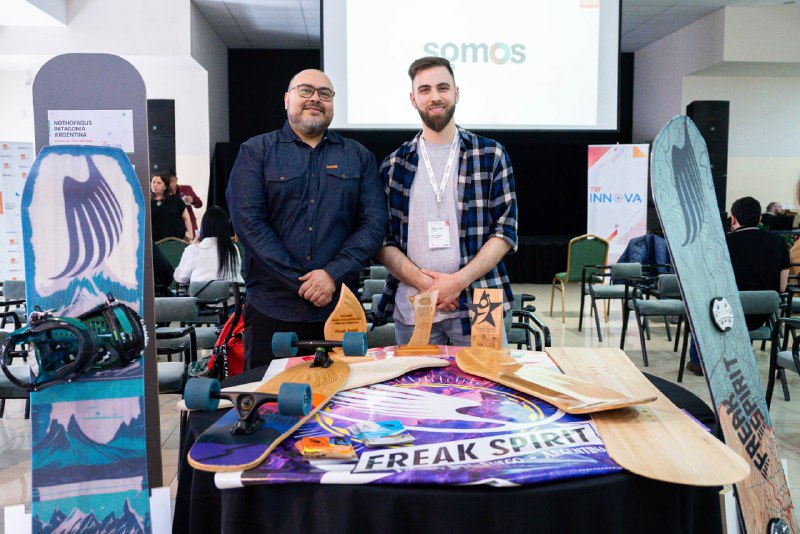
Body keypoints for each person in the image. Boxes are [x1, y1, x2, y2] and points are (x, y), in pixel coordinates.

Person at [226, 68, 386, 369]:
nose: (315, 98)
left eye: (324, 94)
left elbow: (373, 224)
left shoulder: (359, 156)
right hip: (272, 310)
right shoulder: (256, 152)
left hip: (339, 310)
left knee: (342, 396)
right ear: (287, 99)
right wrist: (301, 282)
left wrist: (331, 275)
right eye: (305, 91)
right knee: (269, 395)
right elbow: (249, 223)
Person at [374, 56, 518, 346]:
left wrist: (457, 282)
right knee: (417, 378)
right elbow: (381, 240)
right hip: (415, 303)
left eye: (443, 87)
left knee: (488, 376)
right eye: (424, 90)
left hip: (482, 302)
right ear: (413, 99)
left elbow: (505, 231)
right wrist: (430, 286)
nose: (435, 97)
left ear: (456, 93)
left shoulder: (491, 155)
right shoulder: (394, 165)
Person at [687, 196, 789, 375]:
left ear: (733, 219)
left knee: (701, 305)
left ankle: (698, 363)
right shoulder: (779, 242)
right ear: (759, 219)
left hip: (726, 316)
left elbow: (711, 283)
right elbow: (782, 287)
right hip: (762, 315)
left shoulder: (722, 243)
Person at [173, 206, 244, 285]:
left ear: (204, 227)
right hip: (232, 292)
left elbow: (180, 278)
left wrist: (192, 247)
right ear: (226, 227)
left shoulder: (193, 250)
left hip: (201, 292)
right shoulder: (233, 248)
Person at [151, 172, 192, 242]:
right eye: (153, 182)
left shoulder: (175, 199)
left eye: (159, 183)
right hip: (157, 242)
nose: (155, 185)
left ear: (165, 186)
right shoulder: (148, 202)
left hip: (178, 241)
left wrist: (190, 237)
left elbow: (186, 218)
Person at [165, 169, 204, 236]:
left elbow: (199, 204)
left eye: (172, 181)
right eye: (168, 182)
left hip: (189, 224)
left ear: (176, 179)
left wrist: (192, 200)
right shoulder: (164, 194)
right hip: (174, 226)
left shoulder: (186, 189)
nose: (170, 184)